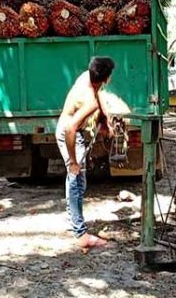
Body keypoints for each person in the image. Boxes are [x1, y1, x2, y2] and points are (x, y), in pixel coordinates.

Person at [56, 57, 115, 249]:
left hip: (70, 130)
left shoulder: (85, 78)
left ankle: (73, 223)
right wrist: (73, 161)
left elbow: (98, 96)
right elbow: (70, 129)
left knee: (76, 180)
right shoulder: (89, 101)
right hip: (68, 133)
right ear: (106, 78)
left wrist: (105, 121)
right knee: (77, 179)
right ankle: (81, 234)